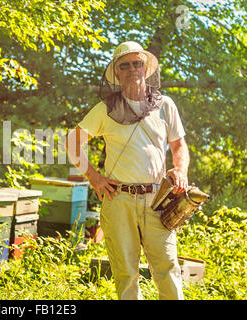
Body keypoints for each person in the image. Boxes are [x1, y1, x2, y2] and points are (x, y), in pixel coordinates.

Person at [66, 41, 190, 300]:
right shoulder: (104, 110)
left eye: (137, 63)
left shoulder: (165, 105)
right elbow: (72, 142)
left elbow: (178, 144)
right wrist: (94, 177)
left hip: (158, 199)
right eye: (126, 65)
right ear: (117, 73)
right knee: (125, 272)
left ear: (145, 68)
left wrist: (180, 170)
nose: (133, 69)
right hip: (118, 199)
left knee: (167, 267)